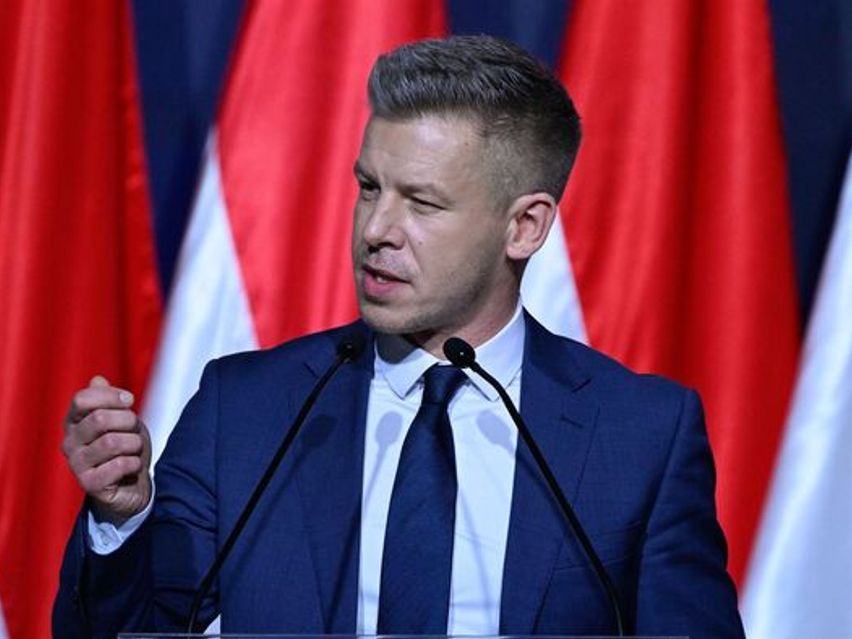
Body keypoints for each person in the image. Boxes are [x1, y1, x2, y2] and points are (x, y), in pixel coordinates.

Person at [54, 35, 745, 638]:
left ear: (525, 226)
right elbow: (127, 631)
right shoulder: (244, 409)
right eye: (369, 187)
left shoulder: (641, 436)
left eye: (421, 202)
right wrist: (122, 518)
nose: (377, 229)